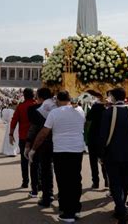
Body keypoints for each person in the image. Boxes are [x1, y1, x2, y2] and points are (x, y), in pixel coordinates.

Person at [30, 90, 86, 223]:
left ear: (57, 100)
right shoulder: (80, 110)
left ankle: (68, 213)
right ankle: (76, 208)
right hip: (77, 149)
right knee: (75, 179)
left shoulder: (55, 112)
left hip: (61, 149)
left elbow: (44, 133)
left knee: (64, 181)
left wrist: (33, 148)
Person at [97, 88, 128, 223]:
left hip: (112, 154)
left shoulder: (108, 112)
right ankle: (122, 207)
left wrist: (101, 154)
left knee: (115, 184)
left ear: (112, 96)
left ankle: (121, 210)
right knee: (125, 182)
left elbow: (103, 136)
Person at [25, 87, 56, 207]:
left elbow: (34, 128)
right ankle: (51, 193)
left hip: (42, 142)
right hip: (58, 141)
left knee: (44, 169)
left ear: (40, 97)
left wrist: (28, 145)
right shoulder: (59, 107)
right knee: (52, 169)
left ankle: (45, 194)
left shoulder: (33, 109)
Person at [9, 88, 36, 189]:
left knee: (24, 160)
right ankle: (36, 183)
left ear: (24, 96)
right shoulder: (37, 105)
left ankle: (25, 181)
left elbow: (14, 120)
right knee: (36, 160)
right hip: (36, 137)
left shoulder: (21, 106)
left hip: (24, 137)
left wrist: (11, 134)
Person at [85, 93, 108, 189]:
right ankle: (107, 181)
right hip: (103, 137)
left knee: (93, 161)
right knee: (104, 161)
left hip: (93, 136)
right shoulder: (107, 108)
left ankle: (96, 182)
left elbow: (88, 118)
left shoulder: (95, 107)